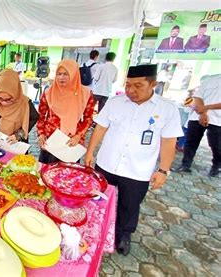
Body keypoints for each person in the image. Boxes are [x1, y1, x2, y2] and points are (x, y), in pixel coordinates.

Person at [84, 64, 183, 256]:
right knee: (100, 199)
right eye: (128, 85)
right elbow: (101, 128)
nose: (131, 90)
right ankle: (96, 229)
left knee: (129, 204)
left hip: (138, 169)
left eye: (138, 86)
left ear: (153, 84)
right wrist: (90, 152)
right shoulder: (115, 102)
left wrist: (163, 170)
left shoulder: (167, 109)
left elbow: (169, 141)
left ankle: (123, 235)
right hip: (107, 163)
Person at [37, 59, 96, 163]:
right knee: (46, 172)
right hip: (51, 141)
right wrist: (41, 134)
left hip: (71, 141)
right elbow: (41, 116)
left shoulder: (85, 94)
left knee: (67, 175)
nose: (61, 77)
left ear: (74, 74)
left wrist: (79, 135)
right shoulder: (48, 92)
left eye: (66, 74)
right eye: (59, 74)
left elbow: (88, 118)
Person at [174, 74, 221, 177]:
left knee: (216, 145)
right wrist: (202, 113)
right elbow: (198, 97)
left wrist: (205, 107)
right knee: (190, 142)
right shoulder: (211, 79)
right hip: (198, 116)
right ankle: (185, 164)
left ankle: (216, 167)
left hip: (217, 120)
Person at [0, 69, 39, 144]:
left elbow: (34, 117)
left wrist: (19, 134)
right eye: (0, 98)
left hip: (15, 143)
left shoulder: (24, 103)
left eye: (8, 99)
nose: (4, 103)